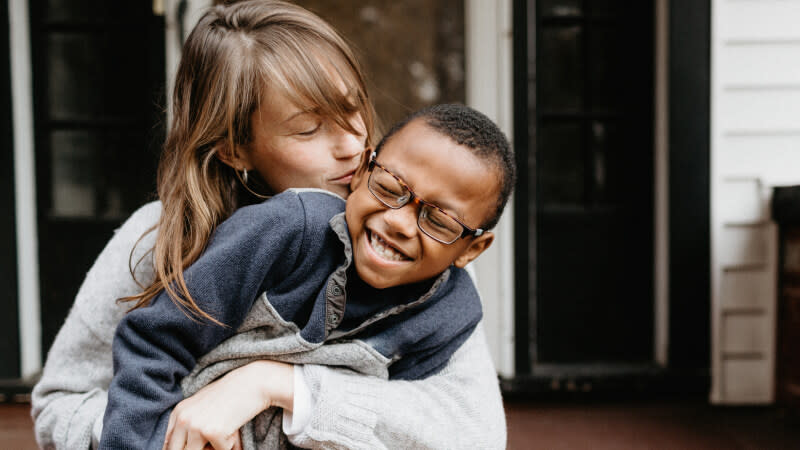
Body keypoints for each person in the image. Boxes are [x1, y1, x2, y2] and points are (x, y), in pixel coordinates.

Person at [30, 1, 507, 449]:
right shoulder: (157, 238)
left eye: (352, 108)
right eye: (308, 128)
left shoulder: (423, 250)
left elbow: (472, 430)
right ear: (236, 149)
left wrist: (279, 387)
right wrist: (176, 435)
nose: (350, 144)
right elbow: (60, 403)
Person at [101, 103, 515, 450]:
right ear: (361, 171)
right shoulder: (286, 230)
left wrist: (280, 386)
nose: (399, 223)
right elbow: (155, 341)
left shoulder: (450, 313)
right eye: (390, 187)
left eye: (438, 221)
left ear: (472, 249)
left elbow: (407, 425)